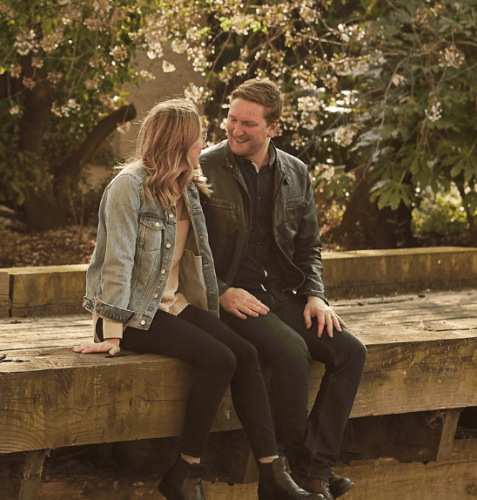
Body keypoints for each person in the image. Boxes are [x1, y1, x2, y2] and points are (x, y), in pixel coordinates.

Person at [76, 98, 322, 500]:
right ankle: (186, 470)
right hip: (135, 313)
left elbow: (198, 260)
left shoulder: (188, 185)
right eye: (197, 138)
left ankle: (271, 473)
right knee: (220, 359)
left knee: (245, 353)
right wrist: (112, 332)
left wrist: (217, 301)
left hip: (174, 305)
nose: (204, 144)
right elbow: (114, 261)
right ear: (178, 141)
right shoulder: (128, 187)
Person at [198, 78, 368, 499]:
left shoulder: (295, 172)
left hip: (284, 294)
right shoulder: (203, 167)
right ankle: (309, 472)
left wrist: (316, 295)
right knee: (291, 352)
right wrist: (219, 291)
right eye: (232, 119)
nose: (235, 130)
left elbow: (309, 245)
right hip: (231, 299)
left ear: (273, 127)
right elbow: (187, 250)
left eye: (248, 124)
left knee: (350, 351)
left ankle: (315, 468)